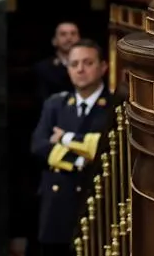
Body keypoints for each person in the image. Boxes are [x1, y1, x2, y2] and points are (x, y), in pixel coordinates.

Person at [30, 40, 110, 256]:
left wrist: (64, 138)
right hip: (57, 205)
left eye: (87, 63)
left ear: (103, 67)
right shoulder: (55, 104)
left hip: (97, 205)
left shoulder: (114, 106)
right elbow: (38, 146)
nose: (80, 69)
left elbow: (105, 149)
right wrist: (81, 159)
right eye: (74, 64)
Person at [33, 22, 79, 102]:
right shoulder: (43, 68)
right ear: (54, 41)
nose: (69, 38)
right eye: (63, 34)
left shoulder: (90, 66)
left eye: (73, 34)